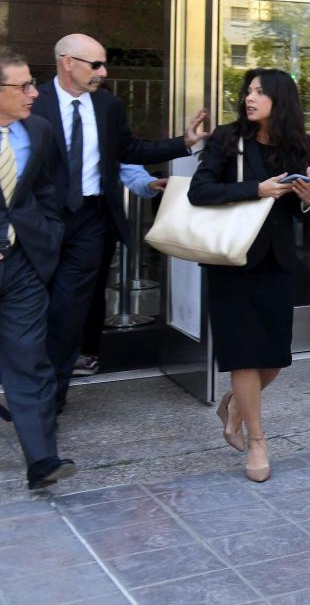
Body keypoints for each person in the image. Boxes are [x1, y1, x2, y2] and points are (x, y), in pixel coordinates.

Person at [33, 34, 208, 410]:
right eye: (95, 65)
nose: (103, 72)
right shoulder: (34, 102)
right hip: (41, 222)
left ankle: (50, 399)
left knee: (68, 310)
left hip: (92, 220)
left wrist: (184, 142)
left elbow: (131, 150)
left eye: (103, 64)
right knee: (34, 306)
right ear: (67, 62)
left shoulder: (109, 105)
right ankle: (29, 384)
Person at [188, 68, 310, 483]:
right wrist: (254, 190)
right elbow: (199, 191)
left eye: (260, 92)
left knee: (275, 360)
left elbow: (300, 214)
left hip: (276, 264)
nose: (250, 97)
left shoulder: (298, 146)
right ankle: (257, 440)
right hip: (232, 264)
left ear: (281, 100)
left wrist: (309, 200)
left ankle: (236, 405)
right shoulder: (228, 139)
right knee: (244, 354)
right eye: (248, 90)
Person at [0, 48, 76, 489]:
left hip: (25, 262)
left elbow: (49, 187)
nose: (34, 93)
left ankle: (42, 459)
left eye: (33, 83)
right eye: (24, 86)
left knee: (31, 359)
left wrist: (48, 233)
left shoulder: (39, 130)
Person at [72, 163, 165, 378]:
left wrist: (147, 182)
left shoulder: (104, 128)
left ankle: (86, 352)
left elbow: (124, 156)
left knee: (92, 289)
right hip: (43, 215)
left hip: (95, 215)